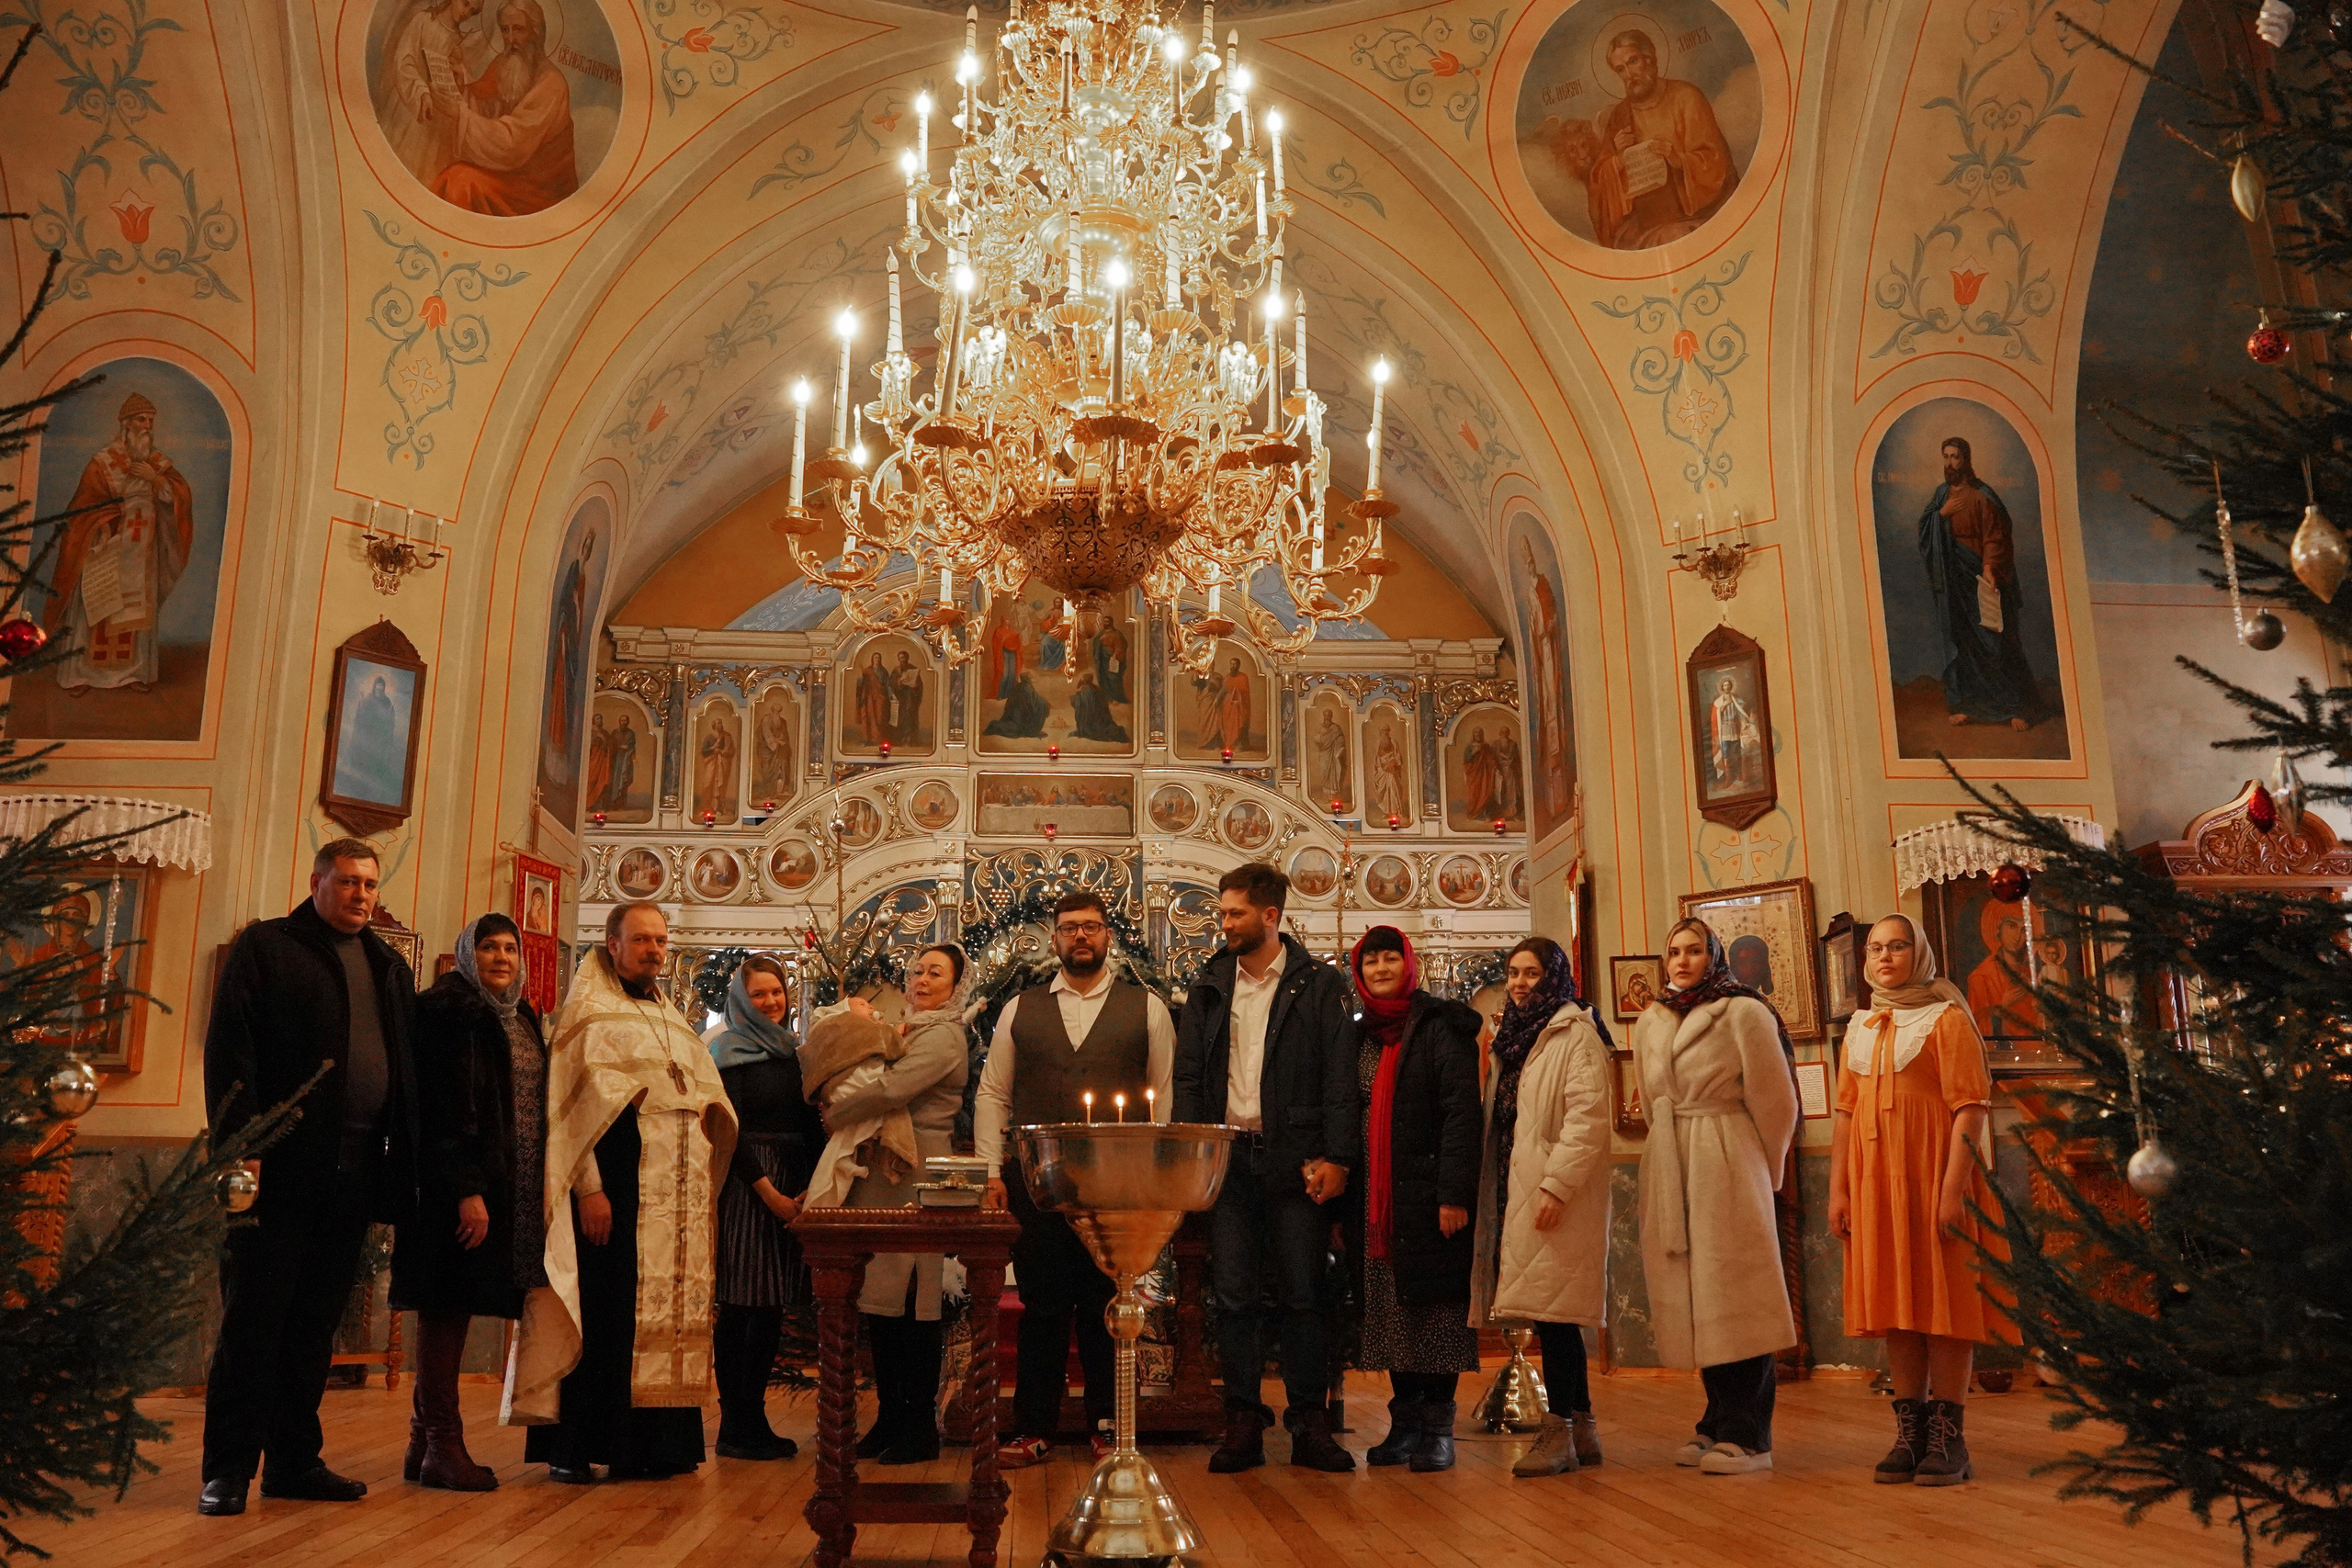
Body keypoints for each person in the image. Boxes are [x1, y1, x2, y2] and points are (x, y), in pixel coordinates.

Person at [198, 840, 420, 1516]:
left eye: (371, 884)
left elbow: (404, 1073)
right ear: (317, 880)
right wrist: (247, 1145)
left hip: (353, 1171)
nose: (361, 895)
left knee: (313, 1326)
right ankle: (227, 1469)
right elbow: (231, 1050)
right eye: (348, 881)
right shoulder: (268, 946)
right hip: (277, 1167)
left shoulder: (388, 965)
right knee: (254, 1320)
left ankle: (294, 1460)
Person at [510, 902, 737, 1483]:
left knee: (660, 1320)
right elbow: (571, 1118)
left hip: (674, 1204)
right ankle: (579, 1446)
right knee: (608, 1317)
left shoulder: (672, 1017)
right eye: (641, 940)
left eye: (661, 941)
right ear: (612, 944)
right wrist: (589, 1190)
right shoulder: (587, 1016)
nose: (654, 950)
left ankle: (653, 1448)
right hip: (617, 1194)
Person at [1172, 863, 1360, 1473]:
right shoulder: (1209, 984)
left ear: (1270, 915)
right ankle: (1243, 1421)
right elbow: (1190, 1077)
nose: (1223, 923)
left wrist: (1338, 1156)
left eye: (1234, 913)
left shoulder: (1319, 984)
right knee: (1234, 1297)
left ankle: (1309, 1423)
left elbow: (1339, 1077)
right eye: (1222, 912)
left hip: (1298, 1160)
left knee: (1304, 1295)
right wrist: (1188, 1152)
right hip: (1227, 1158)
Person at [978, 893, 1177, 1468]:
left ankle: (1110, 1426)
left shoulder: (1147, 1009)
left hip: (1119, 1185)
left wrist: (1156, 1176)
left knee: (1105, 1305)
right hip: (1037, 1183)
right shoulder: (1021, 1008)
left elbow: (1162, 1095)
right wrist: (994, 1169)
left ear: (1108, 935)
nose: (1080, 937)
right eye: (1070, 929)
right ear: (1055, 938)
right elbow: (993, 1093)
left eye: (1091, 927)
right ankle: (1033, 1427)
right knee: (1042, 1305)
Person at [1828, 915, 2001, 1486]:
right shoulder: (1859, 1025)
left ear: (1918, 954)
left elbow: (1970, 1109)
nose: (1884, 956)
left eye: (1897, 946)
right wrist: (1838, 1188)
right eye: (1875, 948)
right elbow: (1846, 1114)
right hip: (1877, 1183)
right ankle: (1911, 1430)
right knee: (1898, 1306)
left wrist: (1954, 1193)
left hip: (1936, 1178)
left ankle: (1951, 1437)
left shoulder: (1947, 1020)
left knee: (1944, 1305)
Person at [1631, 918, 1799, 1475]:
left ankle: (1750, 1436)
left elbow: (1777, 1103)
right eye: (1673, 951)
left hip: (1727, 1155)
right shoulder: (1651, 1019)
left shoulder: (1744, 1011)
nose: (1682, 961)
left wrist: (1763, 1172)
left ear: (1714, 955)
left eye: (1695, 950)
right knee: (1697, 1295)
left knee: (1738, 1293)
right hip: (1671, 1158)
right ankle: (1715, 1421)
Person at [390, 912, 546, 1492]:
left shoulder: (518, 1015)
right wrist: (467, 1190)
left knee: (453, 1307)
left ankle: (419, 1442)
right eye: (488, 948)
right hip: (457, 1191)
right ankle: (442, 1447)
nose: (501, 958)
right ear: (465, 954)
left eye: (510, 948)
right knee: (445, 1309)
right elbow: (444, 1111)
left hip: (505, 1187)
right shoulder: (449, 1012)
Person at [1472, 936, 1613, 1477]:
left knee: (1557, 1314)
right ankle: (1582, 1428)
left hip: (1554, 1191)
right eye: (1513, 972)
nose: (1520, 982)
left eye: (1532, 973)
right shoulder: (1513, 1036)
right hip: (1519, 1182)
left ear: (1554, 976)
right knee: (1554, 1314)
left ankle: (1559, 1435)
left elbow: (1587, 1119)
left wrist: (1556, 1186)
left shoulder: (1573, 1032)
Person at [1346, 928, 1482, 1474]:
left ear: (1409, 964)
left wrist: (1453, 1196)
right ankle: (1403, 1427)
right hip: (1376, 1205)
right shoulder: (1360, 1035)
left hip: (1428, 1199)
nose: (1380, 967)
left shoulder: (1441, 1028)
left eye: (1389, 957)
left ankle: (1438, 1431)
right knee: (1391, 1315)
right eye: (1370, 959)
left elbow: (1460, 1115)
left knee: (1438, 1313)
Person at [830, 946, 973, 1464]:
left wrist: (835, 1108)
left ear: (956, 986)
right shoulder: (904, 1030)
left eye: (936, 972)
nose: (922, 979)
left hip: (918, 1175)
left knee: (916, 1305)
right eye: (916, 970)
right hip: (883, 1174)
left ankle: (919, 1426)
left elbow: (893, 1088)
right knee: (882, 1305)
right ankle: (890, 1417)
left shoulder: (944, 1036)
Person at [708, 955, 824, 1461]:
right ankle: (737, 1424)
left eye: (777, 992)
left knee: (771, 1308)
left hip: (793, 1187)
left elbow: (812, 1126)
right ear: (740, 999)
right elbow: (728, 1132)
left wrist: (810, 1190)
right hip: (749, 1186)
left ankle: (751, 1420)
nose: (771, 1002)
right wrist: (770, 1193)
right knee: (741, 1308)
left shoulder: (794, 1054)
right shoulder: (727, 1052)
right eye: (759, 994)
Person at [48, 391, 197, 693]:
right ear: (126, 423)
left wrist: (156, 481)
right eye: (142, 419)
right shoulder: (103, 462)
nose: (148, 426)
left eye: (151, 421)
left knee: (137, 611)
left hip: (143, 551)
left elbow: (179, 496)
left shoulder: (156, 461)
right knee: (97, 607)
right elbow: (83, 507)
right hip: (108, 545)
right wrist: (103, 524)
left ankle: (134, 673)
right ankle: (81, 675)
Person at [1918, 436, 2044, 731]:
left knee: (1994, 641)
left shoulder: (1983, 495)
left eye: (1955, 457)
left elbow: (1996, 536)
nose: (1950, 463)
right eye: (1946, 456)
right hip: (1955, 582)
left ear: (1967, 459)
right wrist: (1941, 516)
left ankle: (2015, 707)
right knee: (1964, 641)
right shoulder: (1941, 495)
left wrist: (1989, 569)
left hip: (1981, 577)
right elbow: (1925, 527)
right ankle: (1968, 706)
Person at [1585, 29, 1739, 250]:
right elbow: (1599, 185)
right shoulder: (1620, 116)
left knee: (1674, 236)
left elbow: (1715, 161)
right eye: (1621, 69)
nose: (1629, 74)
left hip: (1694, 213)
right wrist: (1617, 160)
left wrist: (1677, 160)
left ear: (1649, 59)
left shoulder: (1686, 97)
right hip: (1644, 223)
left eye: (1633, 61)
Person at [431, 0, 581, 217]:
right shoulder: (504, 65)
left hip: (539, 191)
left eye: (519, 29)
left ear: (536, 33)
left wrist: (459, 112)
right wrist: (459, 86)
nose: (510, 40)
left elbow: (512, 144)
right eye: (505, 30)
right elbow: (484, 106)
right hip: (506, 175)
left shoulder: (552, 83)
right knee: (451, 175)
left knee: (459, 182)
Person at [1966, 905, 2036, 1038]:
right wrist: (2003, 1005)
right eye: (2011, 926)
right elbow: (1975, 1025)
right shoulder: (1981, 976)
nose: (2018, 936)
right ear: (1998, 928)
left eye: (2024, 930)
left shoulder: (2030, 971)